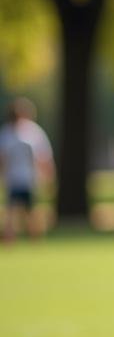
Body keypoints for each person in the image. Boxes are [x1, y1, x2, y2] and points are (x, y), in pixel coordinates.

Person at [0, 97, 54, 243]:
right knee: (10, 215)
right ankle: (9, 243)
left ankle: (35, 242)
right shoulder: (6, 134)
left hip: (29, 179)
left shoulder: (33, 132)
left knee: (30, 214)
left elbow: (43, 157)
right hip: (14, 180)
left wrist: (48, 176)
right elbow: (3, 159)